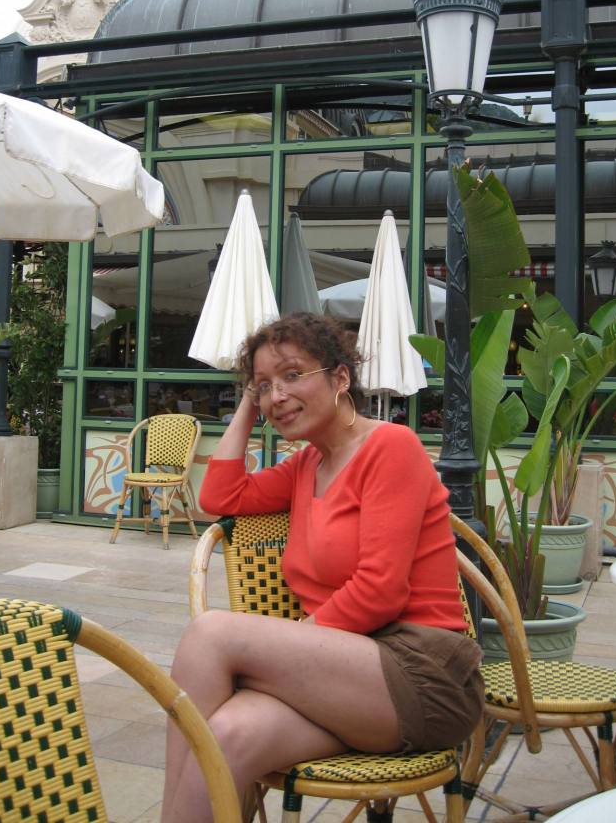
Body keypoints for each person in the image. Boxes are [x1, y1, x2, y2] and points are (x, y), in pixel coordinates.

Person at [161, 313, 483, 823]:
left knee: (211, 635)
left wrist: (287, 654)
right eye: (264, 386)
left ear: (340, 378)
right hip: (349, 680)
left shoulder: (390, 446)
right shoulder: (306, 465)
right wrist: (248, 401)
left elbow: (380, 592)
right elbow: (219, 496)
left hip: (423, 675)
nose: (277, 396)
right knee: (228, 735)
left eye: (293, 374)